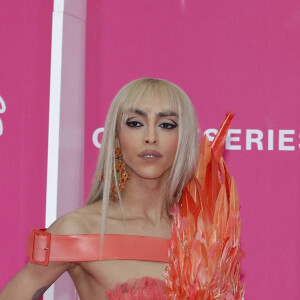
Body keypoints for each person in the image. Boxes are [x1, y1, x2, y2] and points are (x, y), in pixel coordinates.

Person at [0, 78, 199, 300]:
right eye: (135, 123)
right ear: (115, 137)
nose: (151, 137)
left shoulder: (204, 234)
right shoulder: (78, 229)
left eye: (167, 125)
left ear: (184, 139)